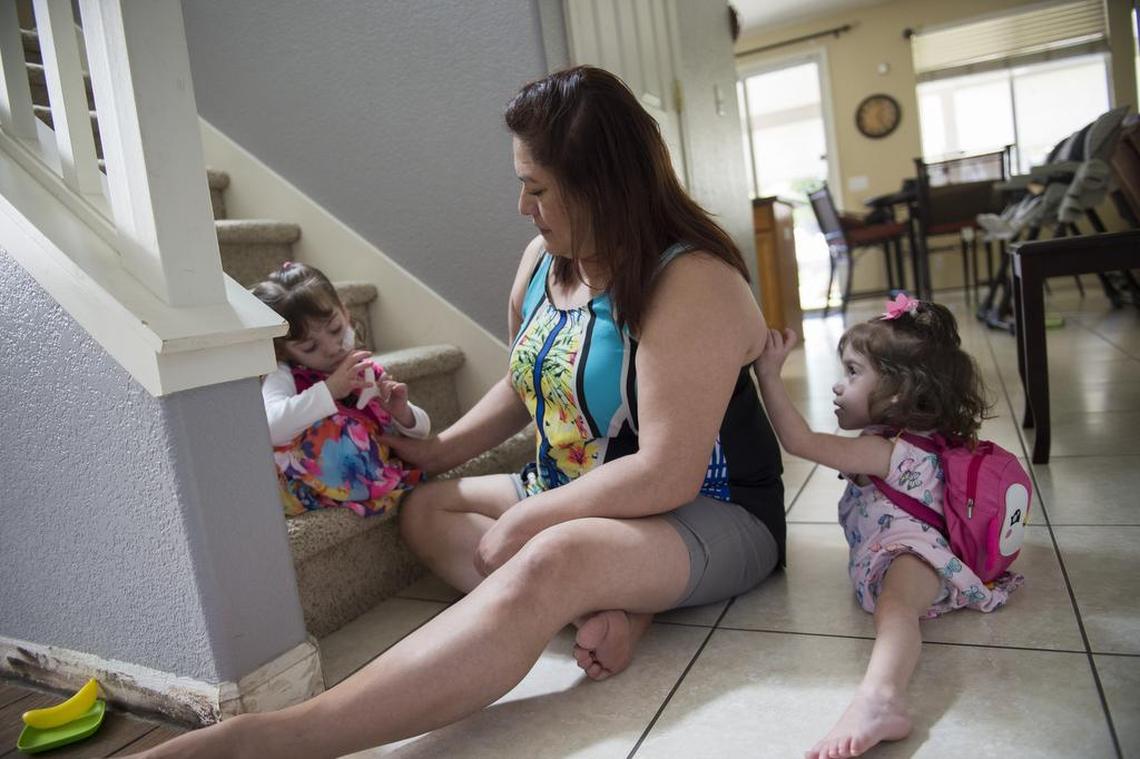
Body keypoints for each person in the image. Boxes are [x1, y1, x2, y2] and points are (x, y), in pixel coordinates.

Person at [137, 65, 784, 758]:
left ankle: (274, 740)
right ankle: (611, 599)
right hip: (580, 486)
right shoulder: (546, 259)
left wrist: (532, 519)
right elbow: (525, 382)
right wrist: (437, 450)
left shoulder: (691, 282)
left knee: (550, 554)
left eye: (537, 188)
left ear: (604, 187)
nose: (521, 206)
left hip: (708, 508)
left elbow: (667, 474)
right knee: (426, 510)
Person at [752, 294, 1023, 759]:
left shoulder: (885, 452)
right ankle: (880, 698)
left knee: (895, 612)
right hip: (907, 551)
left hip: (913, 555)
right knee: (894, 608)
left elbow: (798, 440)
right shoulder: (899, 440)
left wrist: (769, 375)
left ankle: (881, 699)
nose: (839, 386)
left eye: (853, 372)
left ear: (897, 392)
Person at [253, 262, 430, 518]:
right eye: (309, 348)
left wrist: (402, 413)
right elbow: (271, 428)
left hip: (369, 475)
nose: (332, 348)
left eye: (336, 330)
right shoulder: (284, 373)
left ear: (345, 313)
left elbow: (422, 431)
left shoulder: (364, 367)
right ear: (283, 350)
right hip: (307, 484)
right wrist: (329, 390)